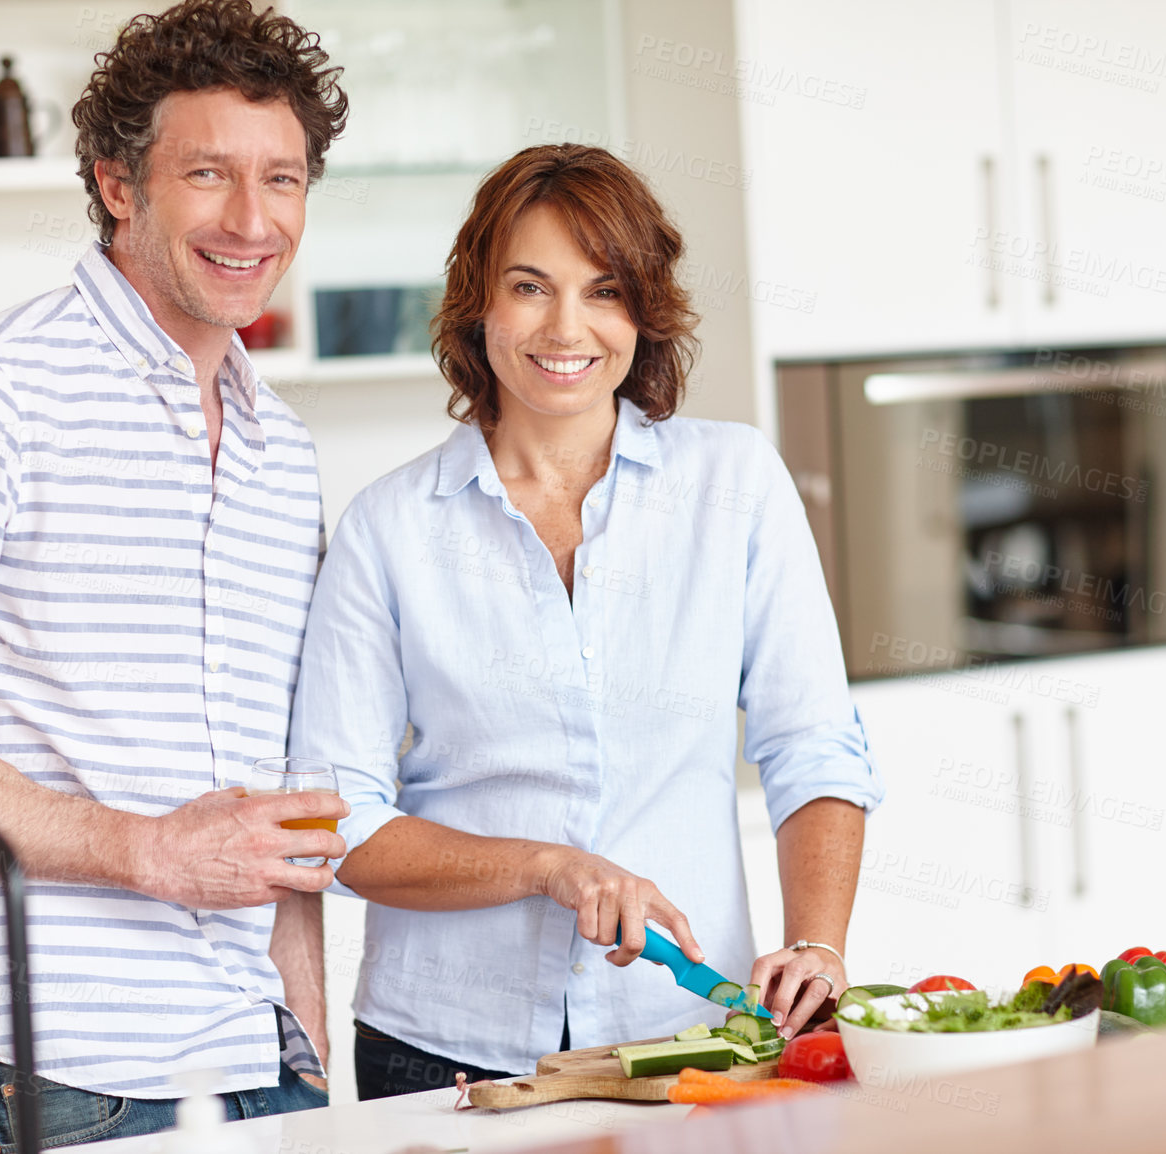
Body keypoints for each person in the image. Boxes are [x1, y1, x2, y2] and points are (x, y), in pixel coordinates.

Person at [0, 3, 351, 1148]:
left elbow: (280, 780)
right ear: (116, 183)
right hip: (60, 1065)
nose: (253, 220)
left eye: (283, 179)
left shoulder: (279, 446)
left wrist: (303, 1014)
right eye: (207, 173)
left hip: (259, 1052)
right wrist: (146, 850)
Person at [289, 144, 884, 1099]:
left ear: (642, 313)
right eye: (529, 287)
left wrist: (818, 942)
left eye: (603, 290)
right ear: (477, 304)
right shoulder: (387, 529)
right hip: (442, 1046)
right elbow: (342, 825)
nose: (567, 327)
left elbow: (813, 742)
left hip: (690, 1031)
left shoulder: (735, 485)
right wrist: (545, 866)